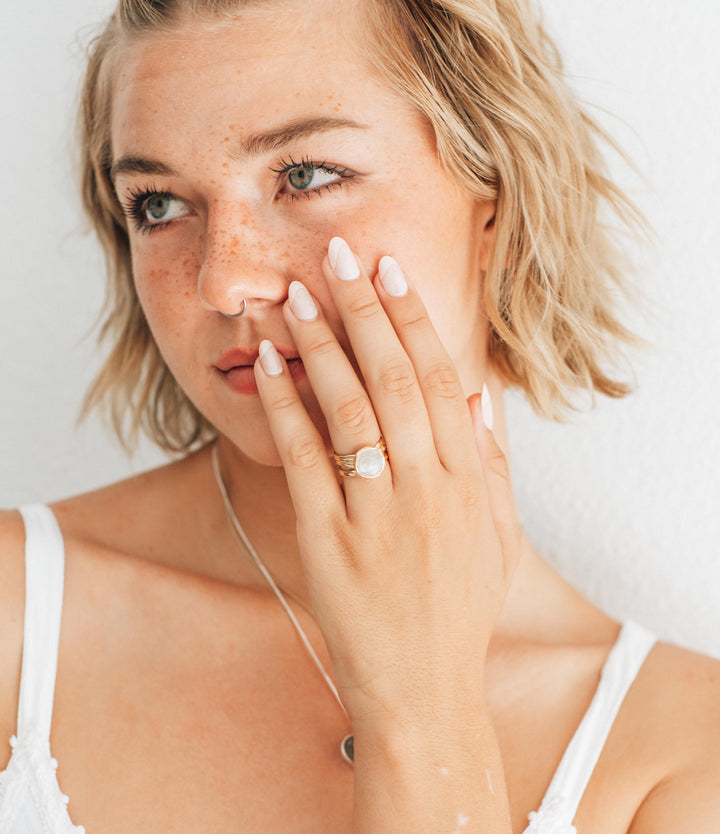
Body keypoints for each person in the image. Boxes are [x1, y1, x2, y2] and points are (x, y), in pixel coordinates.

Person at [0, 0, 718, 831]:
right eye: (158, 204)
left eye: (305, 175)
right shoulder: (18, 618)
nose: (223, 282)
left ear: (496, 196)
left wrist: (426, 710)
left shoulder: (680, 760)